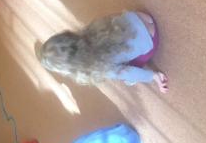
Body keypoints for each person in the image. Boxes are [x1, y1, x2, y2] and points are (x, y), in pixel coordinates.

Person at [36, 11, 168, 93]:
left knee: (129, 71)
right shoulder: (90, 31)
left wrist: (153, 76)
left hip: (151, 38)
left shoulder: (100, 67)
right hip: (141, 17)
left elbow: (129, 72)